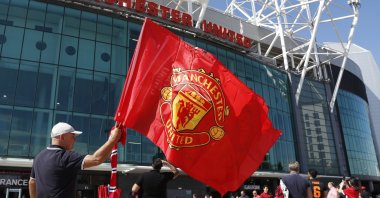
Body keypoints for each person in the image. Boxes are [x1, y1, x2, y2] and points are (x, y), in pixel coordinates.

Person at [29, 122, 122, 198]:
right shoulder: (66, 157)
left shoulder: (38, 157)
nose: (75, 140)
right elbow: (96, 159)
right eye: (72, 137)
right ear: (62, 137)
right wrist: (113, 139)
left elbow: (32, 182)